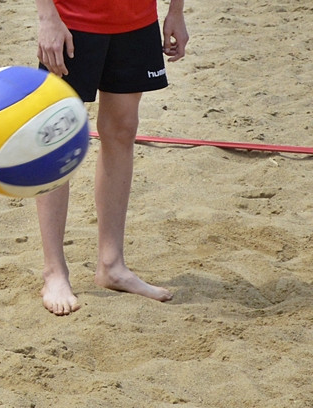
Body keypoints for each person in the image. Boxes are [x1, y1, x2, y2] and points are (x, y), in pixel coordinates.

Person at [34, 0, 188, 315]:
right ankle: (54, 271)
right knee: (56, 137)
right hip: (73, 19)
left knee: (122, 130)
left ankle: (111, 265)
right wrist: (47, 18)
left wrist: (176, 11)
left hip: (136, 19)